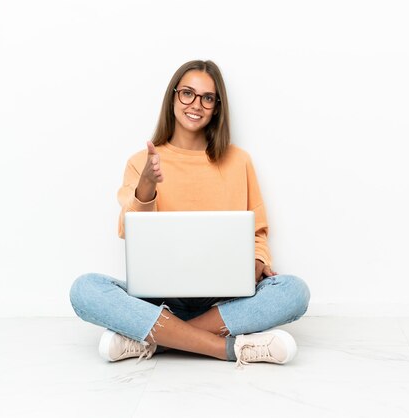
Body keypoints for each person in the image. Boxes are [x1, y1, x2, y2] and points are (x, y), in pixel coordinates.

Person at [69, 60, 310, 366]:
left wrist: (258, 261)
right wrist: (146, 187)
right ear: (173, 97)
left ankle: (153, 339)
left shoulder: (239, 161)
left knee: (294, 291)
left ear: (216, 107)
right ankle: (228, 348)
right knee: (85, 289)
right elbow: (130, 231)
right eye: (187, 93)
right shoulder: (141, 161)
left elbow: (258, 232)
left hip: (223, 301)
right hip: (157, 300)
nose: (196, 104)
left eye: (207, 98)